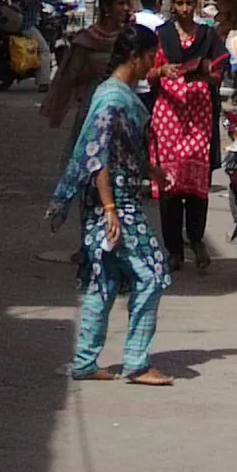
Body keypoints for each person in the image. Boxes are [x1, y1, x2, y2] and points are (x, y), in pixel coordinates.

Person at [59, 29, 171, 386]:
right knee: (152, 274)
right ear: (135, 56)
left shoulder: (114, 95)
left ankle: (85, 361)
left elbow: (117, 151)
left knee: (103, 280)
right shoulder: (111, 100)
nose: (154, 63)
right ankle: (136, 363)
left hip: (108, 199)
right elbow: (98, 156)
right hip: (115, 202)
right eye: (151, 55)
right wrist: (110, 208)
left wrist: (148, 170)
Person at [146, 0, 225, 273]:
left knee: (195, 182)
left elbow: (218, 73)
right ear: (172, 5)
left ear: (195, 3)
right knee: (169, 184)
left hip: (198, 116)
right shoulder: (161, 35)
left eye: (189, 3)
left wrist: (205, 73)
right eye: (179, 3)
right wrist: (162, 70)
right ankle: (174, 250)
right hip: (168, 116)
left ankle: (196, 239)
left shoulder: (207, 35)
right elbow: (148, 72)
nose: (184, 9)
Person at [39, 0, 130, 145]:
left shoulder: (129, 38)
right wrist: (92, 72)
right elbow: (71, 76)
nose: (126, 8)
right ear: (106, 7)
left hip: (124, 107)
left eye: (127, 4)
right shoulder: (86, 40)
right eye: (120, 4)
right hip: (93, 107)